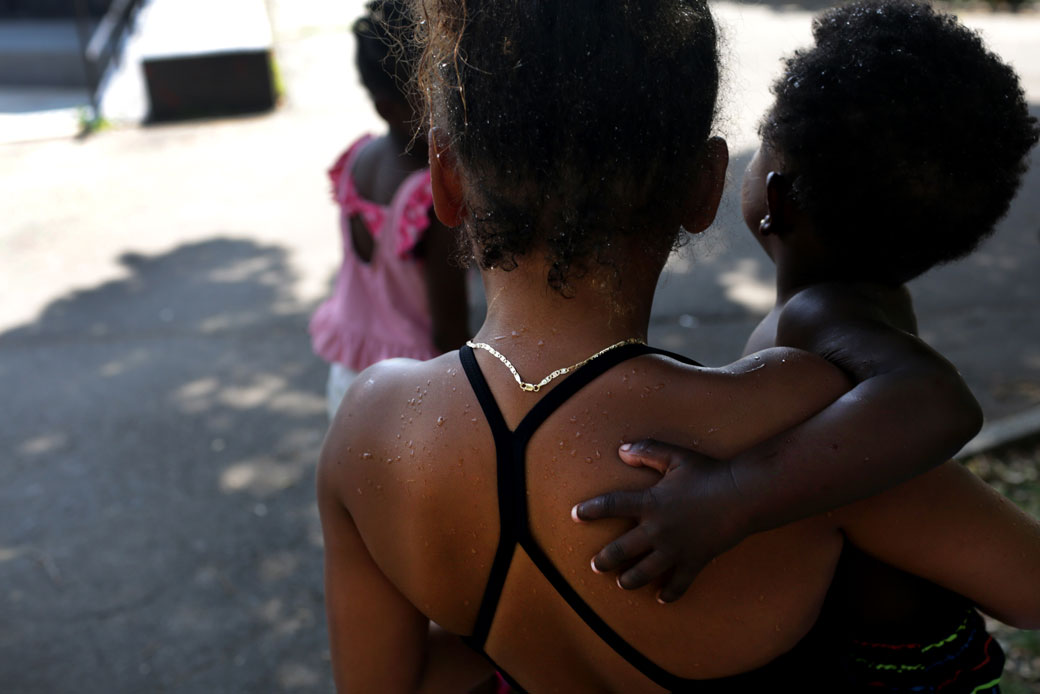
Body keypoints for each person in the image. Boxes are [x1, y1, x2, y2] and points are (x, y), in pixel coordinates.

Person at [317, 1, 1040, 691]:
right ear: (706, 185)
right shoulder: (803, 423)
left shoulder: (366, 433)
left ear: (445, 180)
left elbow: (396, 680)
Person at [572, 1, 1040, 690]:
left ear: (777, 198)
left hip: (893, 671)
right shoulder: (866, 305)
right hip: (920, 650)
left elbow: (938, 401)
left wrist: (731, 494)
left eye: (765, 140)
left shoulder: (822, 315)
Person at [309, 0, 469, 420]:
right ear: (389, 108)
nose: (457, 99)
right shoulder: (433, 196)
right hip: (413, 395)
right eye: (441, 91)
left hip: (347, 383)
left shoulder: (359, 159)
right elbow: (448, 331)